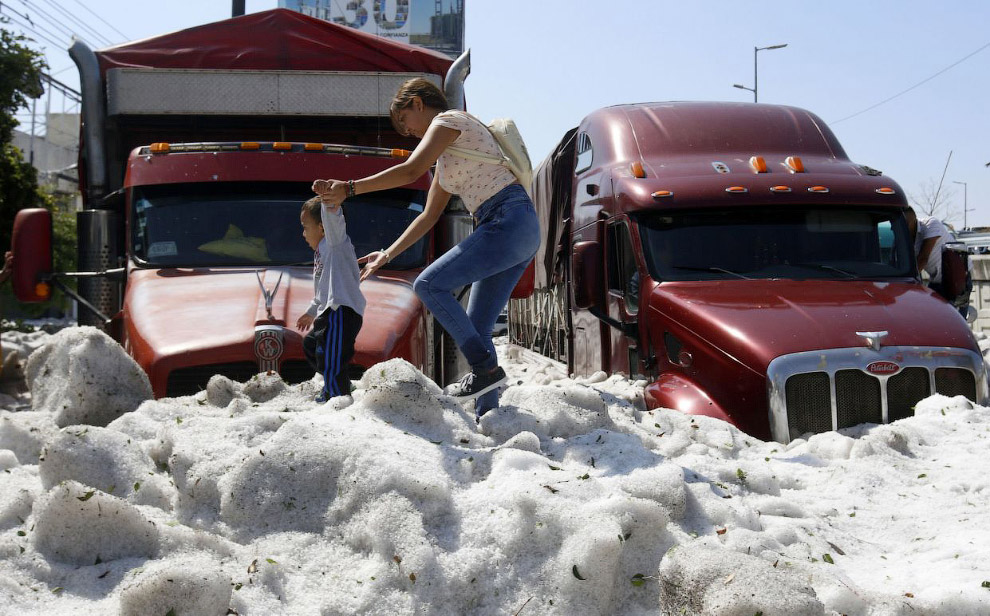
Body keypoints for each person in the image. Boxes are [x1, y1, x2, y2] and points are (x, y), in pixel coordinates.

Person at [313, 77, 540, 418]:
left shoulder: (449, 120)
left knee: (429, 284)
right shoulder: (447, 162)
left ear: (418, 103)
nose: (410, 134)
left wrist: (350, 187)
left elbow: (410, 170)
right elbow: (428, 217)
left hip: (506, 219)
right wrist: (387, 253)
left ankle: (486, 370)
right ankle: (489, 415)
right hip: (514, 227)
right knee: (477, 328)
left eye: (406, 123)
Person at [296, 196, 365, 403]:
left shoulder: (335, 244)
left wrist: (329, 200)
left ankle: (335, 396)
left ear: (323, 227)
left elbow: (334, 220)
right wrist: (310, 311)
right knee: (311, 345)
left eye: (306, 227)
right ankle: (340, 382)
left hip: (341, 311)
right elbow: (322, 290)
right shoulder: (321, 252)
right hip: (327, 311)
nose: (303, 234)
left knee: (331, 356)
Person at [903, 207, 971, 317]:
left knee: (954, 321)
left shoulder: (931, 224)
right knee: (931, 318)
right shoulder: (905, 239)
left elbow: (923, 258)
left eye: (906, 224)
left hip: (957, 279)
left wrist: (904, 283)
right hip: (936, 281)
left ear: (913, 220)